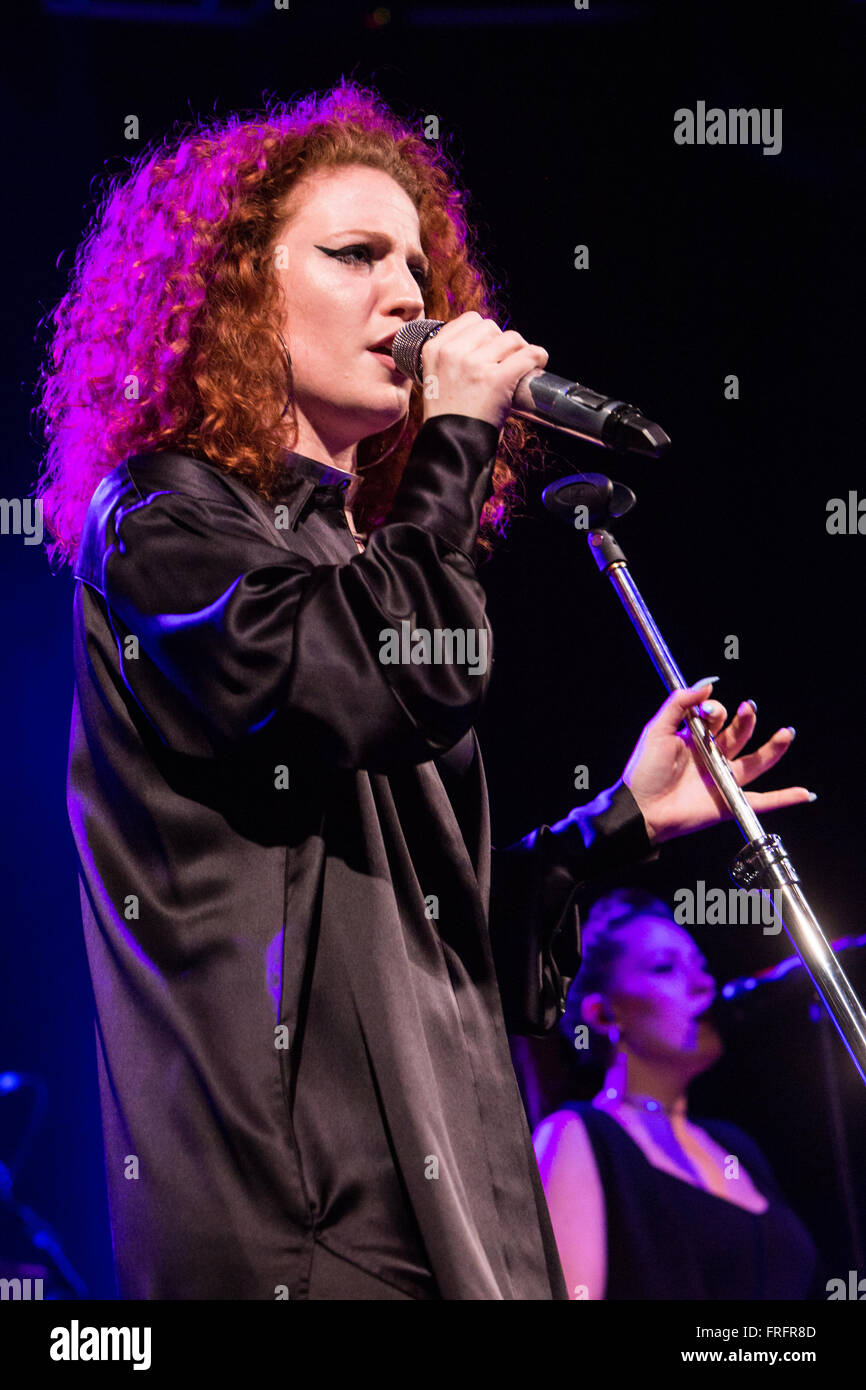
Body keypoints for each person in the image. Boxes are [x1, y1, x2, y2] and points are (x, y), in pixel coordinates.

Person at [36, 80, 813, 1300]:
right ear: (236, 293)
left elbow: (443, 954)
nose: (409, 297)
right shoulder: (162, 519)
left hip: (450, 1218)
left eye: (416, 263)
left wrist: (621, 822)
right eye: (356, 255)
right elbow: (370, 679)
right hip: (296, 1228)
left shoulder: (363, 560)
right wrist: (455, 442)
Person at [533, 888, 820, 1300]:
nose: (704, 984)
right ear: (603, 1013)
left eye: (700, 967)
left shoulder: (734, 1145)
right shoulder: (577, 1136)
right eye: (665, 967)